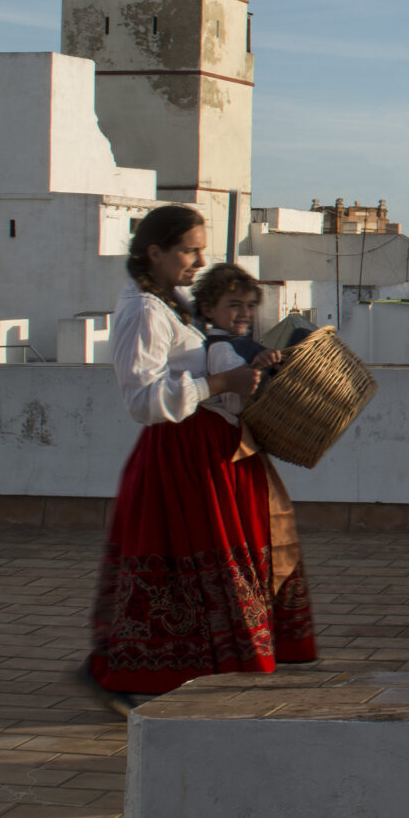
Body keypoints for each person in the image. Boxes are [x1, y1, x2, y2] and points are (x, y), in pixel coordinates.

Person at [85, 206, 315, 714]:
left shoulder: (173, 305)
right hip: (177, 458)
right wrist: (220, 384)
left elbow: (204, 356)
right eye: (189, 249)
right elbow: (142, 400)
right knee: (178, 570)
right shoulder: (144, 311)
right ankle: (135, 674)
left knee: (199, 570)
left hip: (205, 455)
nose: (199, 259)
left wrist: (242, 370)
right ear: (156, 253)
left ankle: (190, 673)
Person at [191, 263, 310, 633]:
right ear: (208, 309)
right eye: (233, 305)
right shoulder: (222, 350)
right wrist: (256, 370)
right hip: (229, 451)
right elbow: (233, 402)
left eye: (248, 305)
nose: (243, 313)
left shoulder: (237, 345)